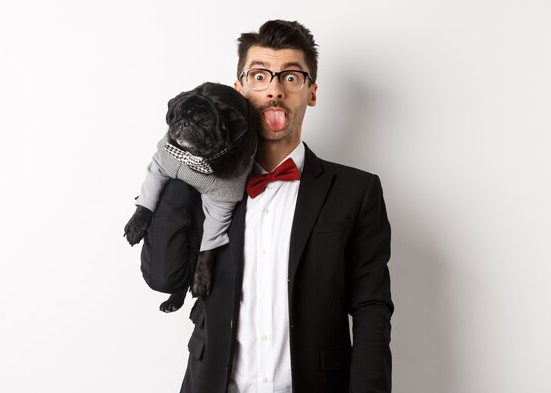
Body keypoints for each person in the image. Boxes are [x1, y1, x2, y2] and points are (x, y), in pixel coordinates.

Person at [140, 20, 394, 393]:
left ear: (311, 92)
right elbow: (163, 278)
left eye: (291, 77)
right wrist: (188, 157)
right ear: (239, 89)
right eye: (260, 76)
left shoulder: (356, 191)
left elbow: (371, 308)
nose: (274, 89)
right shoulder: (204, 187)